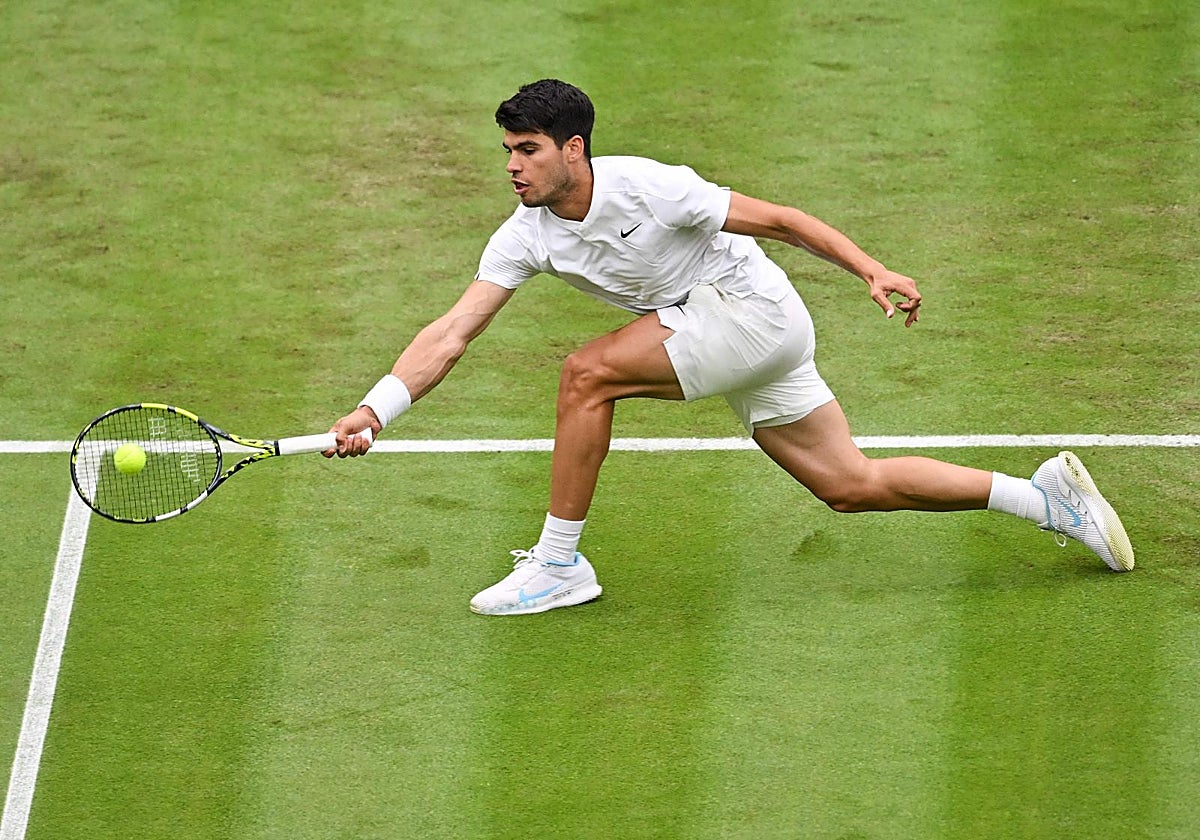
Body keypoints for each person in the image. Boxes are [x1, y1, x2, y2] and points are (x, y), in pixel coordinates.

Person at [325, 79, 1134, 616]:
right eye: (507, 150)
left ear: (573, 149)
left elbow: (781, 221)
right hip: (724, 331)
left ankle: (560, 564)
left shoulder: (651, 187)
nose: (512, 166)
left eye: (527, 149)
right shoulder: (524, 235)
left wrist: (871, 268)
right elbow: (453, 331)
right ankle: (1046, 502)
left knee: (586, 375)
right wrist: (375, 410)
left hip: (748, 314)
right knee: (849, 485)